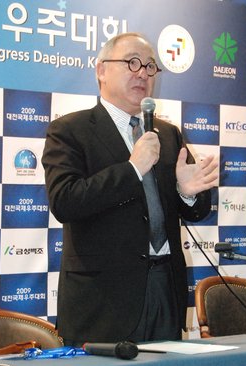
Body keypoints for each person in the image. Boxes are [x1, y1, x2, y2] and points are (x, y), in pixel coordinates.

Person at [42, 32, 218, 346]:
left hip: (165, 286)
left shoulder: (167, 133)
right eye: (132, 63)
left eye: (150, 67)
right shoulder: (69, 130)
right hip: (102, 300)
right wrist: (132, 169)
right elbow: (65, 202)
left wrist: (187, 192)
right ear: (101, 71)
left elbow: (197, 209)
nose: (142, 73)